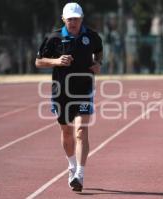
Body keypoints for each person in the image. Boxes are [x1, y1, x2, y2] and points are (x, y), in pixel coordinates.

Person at [35, 2, 103, 192]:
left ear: (82, 19)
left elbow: (98, 52)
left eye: (76, 19)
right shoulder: (53, 38)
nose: (73, 22)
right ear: (64, 19)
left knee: (81, 129)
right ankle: (71, 165)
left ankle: (79, 175)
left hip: (84, 90)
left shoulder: (92, 36)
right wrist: (56, 61)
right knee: (66, 131)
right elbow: (38, 61)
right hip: (61, 91)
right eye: (70, 19)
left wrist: (98, 63)